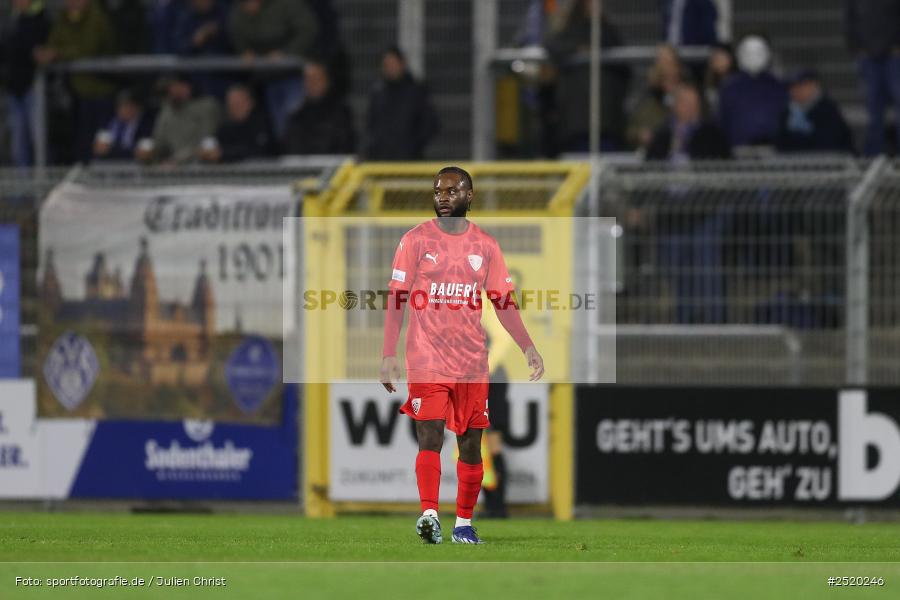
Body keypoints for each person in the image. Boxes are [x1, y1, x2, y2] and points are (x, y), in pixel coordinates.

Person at [380, 167, 544, 545]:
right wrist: (388, 352)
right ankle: (429, 515)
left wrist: (528, 346)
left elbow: (503, 302)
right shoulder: (415, 240)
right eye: (438, 190)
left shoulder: (485, 246)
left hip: (471, 362)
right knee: (430, 432)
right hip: (426, 357)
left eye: (452, 191)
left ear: (470, 196)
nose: (443, 196)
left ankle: (463, 525)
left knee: (471, 443)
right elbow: (396, 299)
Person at [647, 84, 732, 324]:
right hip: (672, 214)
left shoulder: (712, 133)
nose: (690, 108)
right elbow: (649, 168)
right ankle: (685, 322)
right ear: (675, 106)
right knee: (678, 271)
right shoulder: (663, 136)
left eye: (694, 103)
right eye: (685, 102)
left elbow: (724, 170)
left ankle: (715, 324)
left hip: (705, 212)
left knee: (708, 270)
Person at [35, 0, 117, 163]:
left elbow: (89, 48)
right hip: (77, 91)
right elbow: (54, 42)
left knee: (103, 142)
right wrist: (47, 52)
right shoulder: (63, 17)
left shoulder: (97, 16)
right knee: (81, 144)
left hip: (101, 89)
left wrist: (58, 53)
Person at [544, 0, 630, 152]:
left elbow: (625, 68)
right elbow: (552, 46)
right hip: (577, 121)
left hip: (606, 118)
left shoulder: (607, 32)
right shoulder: (570, 32)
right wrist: (578, 49)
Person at [230, 0, 318, 139]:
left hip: (292, 74)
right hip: (265, 79)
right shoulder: (239, 11)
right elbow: (236, 35)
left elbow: (307, 29)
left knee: (295, 118)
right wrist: (245, 52)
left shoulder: (286, 5)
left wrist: (286, 53)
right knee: (276, 126)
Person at [363, 46, 439, 160]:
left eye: (393, 63)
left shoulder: (416, 91)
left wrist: (412, 145)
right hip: (381, 162)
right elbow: (370, 125)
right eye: (387, 65)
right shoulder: (377, 93)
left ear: (402, 64)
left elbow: (431, 124)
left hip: (409, 162)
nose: (390, 68)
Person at [845, 0, 900, 155]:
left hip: (894, 55)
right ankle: (872, 158)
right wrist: (856, 49)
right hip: (868, 57)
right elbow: (849, 20)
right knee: (873, 112)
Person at [1, 0, 50, 168]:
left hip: (34, 85)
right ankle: (21, 189)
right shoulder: (11, 20)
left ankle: (43, 182)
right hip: (14, 87)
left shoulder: (41, 19)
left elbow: (40, 50)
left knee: (38, 138)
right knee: (18, 141)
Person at [717, 35, 788, 147]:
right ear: (739, 55)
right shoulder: (729, 87)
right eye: (748, 53)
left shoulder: (777, 86)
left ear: (767, 54)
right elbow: (723, 120)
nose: (753, 57)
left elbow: (784, 117)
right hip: (738, 149)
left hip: (772, 149)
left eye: (758, 52)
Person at [142, 74, 221, 164]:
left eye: (177, 86)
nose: (174, 91)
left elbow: (205, 143)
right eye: (171, 87)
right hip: (172, 168)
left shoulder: (206, 107)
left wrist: (176, 161)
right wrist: (149, 152)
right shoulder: (167, 111)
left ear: (187, 87)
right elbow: (159, 142)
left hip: (199, 167)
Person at [282, 60, 355, 155]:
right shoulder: (296, 115)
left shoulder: (341, 113)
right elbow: (289, 146)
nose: (312, 83)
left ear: (326, 81)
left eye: (316, 78)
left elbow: (345, 145)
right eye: (308, 79)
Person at [627, 44, 691, 151]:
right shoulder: (647, 93)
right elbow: (631, 130)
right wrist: (640, 134)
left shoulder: (689, 86)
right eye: (661, 60)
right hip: (656, 150)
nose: (666, 65)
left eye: (669, 61)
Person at [776, 70, 855, 155]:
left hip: (833, 164)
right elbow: (781, 143)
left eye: (801, 85)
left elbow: (828, 144)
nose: (796, 90)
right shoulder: (787, 112)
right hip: (795, 164)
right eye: (792, 86)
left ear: (814, 85)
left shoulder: (828, 109)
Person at [174, 0, 232, 98]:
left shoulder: (224, 13)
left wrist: (219, 33)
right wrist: (195, 41)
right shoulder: (186, 18)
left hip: (224, 78)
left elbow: (234, 45)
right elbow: (179, 50)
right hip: (195, 82)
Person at [201, 84, 273, 162]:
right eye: (230, 102)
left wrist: (223, 153)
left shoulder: (261, 122)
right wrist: (207, 151)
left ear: (249, 102)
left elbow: (259, 150)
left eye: (237, 101)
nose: (232, 105)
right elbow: (215, 144)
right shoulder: (226, 125)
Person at [92, 90, 155, 161]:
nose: (126, 109)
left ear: (138, 108)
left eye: (130, 106)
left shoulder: (145, 126)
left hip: (133, 165)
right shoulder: (108, 123)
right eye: (123, 105)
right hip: (108, 163)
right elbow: (99, 149)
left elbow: (145, 153)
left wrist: (113, 151)